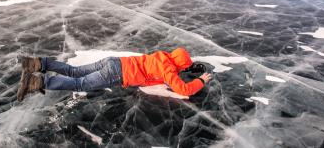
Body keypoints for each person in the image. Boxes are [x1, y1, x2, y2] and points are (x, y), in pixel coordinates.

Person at [17, 47, 212, 101]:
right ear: (179, 64)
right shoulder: (168, 69)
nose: (182, 70)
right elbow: (184, 89)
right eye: (183, 67)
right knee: (80, 84)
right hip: (119, 73)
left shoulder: (162, 56)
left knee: (74, 71)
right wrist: (201, 81)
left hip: (115, 61)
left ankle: (37, 63)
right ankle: (37, 83)